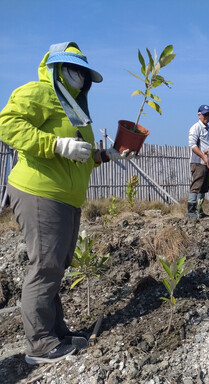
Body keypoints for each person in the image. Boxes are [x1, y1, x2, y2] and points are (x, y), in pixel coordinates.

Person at [0, 42, 135, 365]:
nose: (81, 79)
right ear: (58, 69)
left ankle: (56, 333)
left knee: (56, 266)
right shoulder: (39, 92)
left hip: (64, 197)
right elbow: (7, 124)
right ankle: (40, 345)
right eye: (75, 72)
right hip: (39, 191)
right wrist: (56, 144)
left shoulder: (76, 109)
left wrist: (104, 155)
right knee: (45, 265)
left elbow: (81, 158)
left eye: (84, 75)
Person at [187, 105, 209, 218]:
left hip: (207, 162)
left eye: (208, 114)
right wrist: (203, 156)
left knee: (204, 186)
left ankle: (199, 210)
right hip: (197, 161)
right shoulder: (195, 127)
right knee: (197, 185)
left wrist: (208, 159)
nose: (207, 116)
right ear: (199, 115)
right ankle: (191, 211)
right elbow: (192, 145)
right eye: (204, 114)